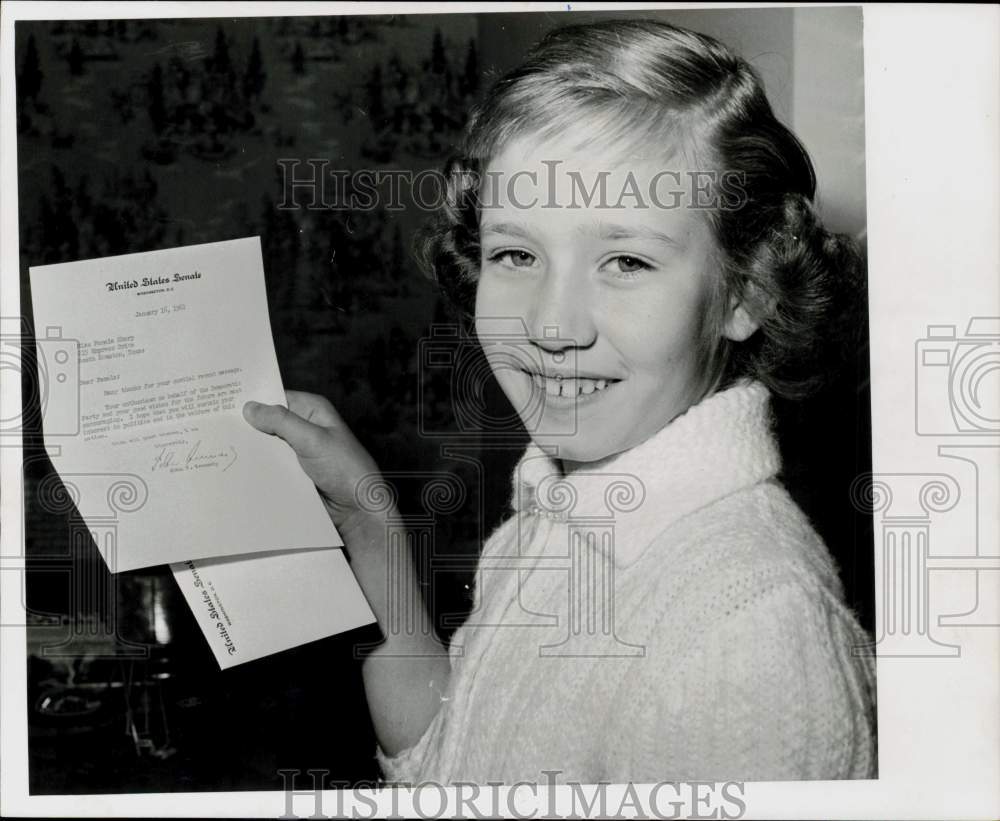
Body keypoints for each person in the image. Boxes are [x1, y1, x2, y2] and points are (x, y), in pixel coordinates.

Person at [242, 20, 876, 784]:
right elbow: (452, 772)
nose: (551, 324)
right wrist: (371, 524)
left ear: (747, 291)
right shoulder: (560, 517)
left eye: (626, 260)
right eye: (515, 253)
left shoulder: (749, 631)